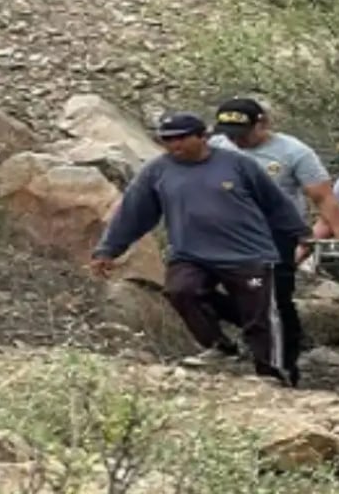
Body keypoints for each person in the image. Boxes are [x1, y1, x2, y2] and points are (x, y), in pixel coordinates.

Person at [90, 112, 310, 383]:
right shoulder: (157, 171)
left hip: (248, 254)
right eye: (167, 140)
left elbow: (275, 203)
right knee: (180, 291)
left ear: (203, 137)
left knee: (260, 317)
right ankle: (218, 345)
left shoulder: (239, 165)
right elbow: (134, 212)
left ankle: (274, 375)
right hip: (191, 253)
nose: (174, 145)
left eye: (182, 138)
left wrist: (300, 233)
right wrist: (108, 249)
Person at [209, 97, 339, 385]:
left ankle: (285, 364)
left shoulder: (294, 152)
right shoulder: (217, 146)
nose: (237, 140)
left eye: (243, 133)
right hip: (225, 233)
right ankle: (250, 331)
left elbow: (323, 197)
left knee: (277, 298)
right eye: (230, 133)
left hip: (274, 236)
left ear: (263, 123)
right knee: (192, 287)